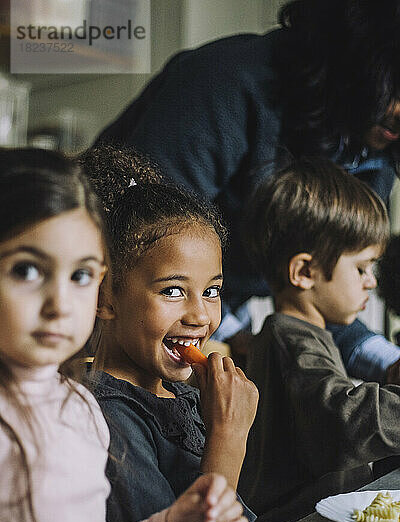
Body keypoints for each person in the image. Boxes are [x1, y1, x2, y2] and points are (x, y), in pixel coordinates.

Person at [96, 0, 400, 381]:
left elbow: (320, 291)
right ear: (356, 58)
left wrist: (388, 363)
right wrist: (231, 332)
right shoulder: (227, 83)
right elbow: (146, 250)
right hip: (116, 323)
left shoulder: (376, 148)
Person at [0, 148, 251, 522]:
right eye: (28, 270)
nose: (61, 304)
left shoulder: (76, 408)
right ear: (110, 298)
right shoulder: (105, 407)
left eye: (80, 275)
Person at [80, 145, 261, 522]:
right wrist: (228, 437)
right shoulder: (106, 417)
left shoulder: (183, 395)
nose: (200, 314)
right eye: (173, 291)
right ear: (105, 296)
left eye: (212, 291)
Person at [237, 158, 400, 522]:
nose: (370, 283)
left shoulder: (301, 336)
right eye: (361, 268)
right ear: (304, 272)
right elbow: (342, 418)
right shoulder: (289, 337)